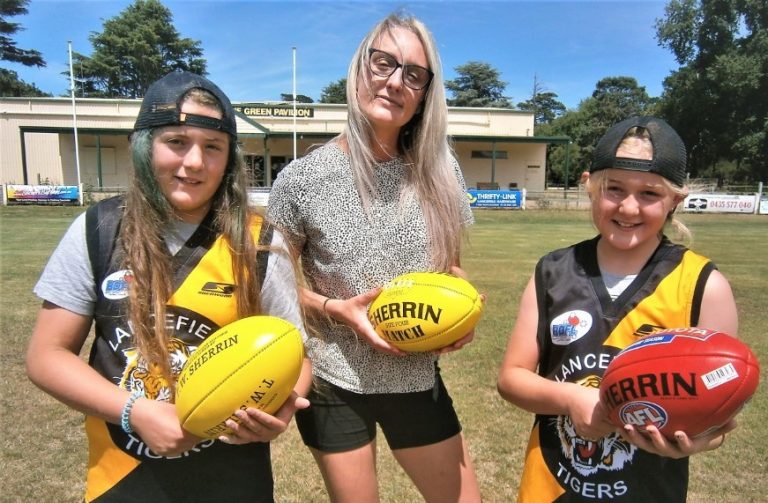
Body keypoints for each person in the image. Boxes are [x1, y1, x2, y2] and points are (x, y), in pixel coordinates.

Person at [25, 70, 312, 502]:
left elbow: (296, 353)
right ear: (145, 147)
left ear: (229, 159)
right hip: (121, 475)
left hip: (232, 478)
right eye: (177, 141)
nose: (194, 161)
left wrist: (282, 408)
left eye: (212, 146)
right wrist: (134, 411)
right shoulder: (99, 228)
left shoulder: (260, 242)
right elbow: (46, 355)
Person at [266, 12, 482, 503]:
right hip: (333, 376)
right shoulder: (302, 178)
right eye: (383, 63)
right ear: (359, 67)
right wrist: (335, 309)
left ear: (425, 93)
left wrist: (463, 310)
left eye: (414, 74)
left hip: (415, 373)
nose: (395, 81)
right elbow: (270, 285)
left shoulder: (441, 169)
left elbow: (450, 269)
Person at [497, 116, 739, 502]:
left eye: (649, 193)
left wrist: (697, 442)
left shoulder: (704, 286)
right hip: (551, 488)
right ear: (591, 186)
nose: (628, 208)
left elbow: (720, 407)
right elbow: (511, 378)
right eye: (614, 189)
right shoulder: (553, 271)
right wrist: (571, 399)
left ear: (675, 200)